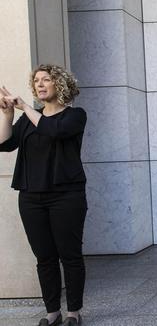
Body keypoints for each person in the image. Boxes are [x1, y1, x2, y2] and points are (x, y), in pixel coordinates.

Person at [0, 65, 87, 326]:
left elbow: (53, 130)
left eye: (45, 79)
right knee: (44, 257)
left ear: (59, 84)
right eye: (36, 80)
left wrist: (25, 107)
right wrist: (6, 115)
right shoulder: (28, 119)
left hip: (66, 196)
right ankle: (52, 312)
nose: (39, 84)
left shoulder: (75, 116)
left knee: (69, 255)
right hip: (31, 197)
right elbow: (4, 144)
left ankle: (73, 312)